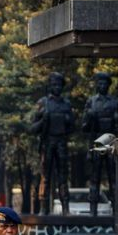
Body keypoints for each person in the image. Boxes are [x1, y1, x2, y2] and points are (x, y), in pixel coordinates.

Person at [31, 72, 74, 215]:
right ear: (50, 86)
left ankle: (65, 208)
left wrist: (68, 121)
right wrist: (43, 119)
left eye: (59, 85)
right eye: (54, 85)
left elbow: (72, 128)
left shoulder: (66, 104)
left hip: (61, 142)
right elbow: (33, 128)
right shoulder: (43, 103)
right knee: (45, 177)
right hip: (47, 143)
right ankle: (43, 208)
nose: (57, 87)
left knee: (63, 177)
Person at [82, 72, 118, 216]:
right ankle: (93, 209)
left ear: (108, 85)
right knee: (94, 178)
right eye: (100, 83)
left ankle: (116, 208)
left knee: (113, 177)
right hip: (96, 141)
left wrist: (116, 118)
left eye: (105, 83)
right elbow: (84, 127)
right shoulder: (91, 102)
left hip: (110, 141)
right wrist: (89, 116)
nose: (102, 86)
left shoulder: (115, 102)